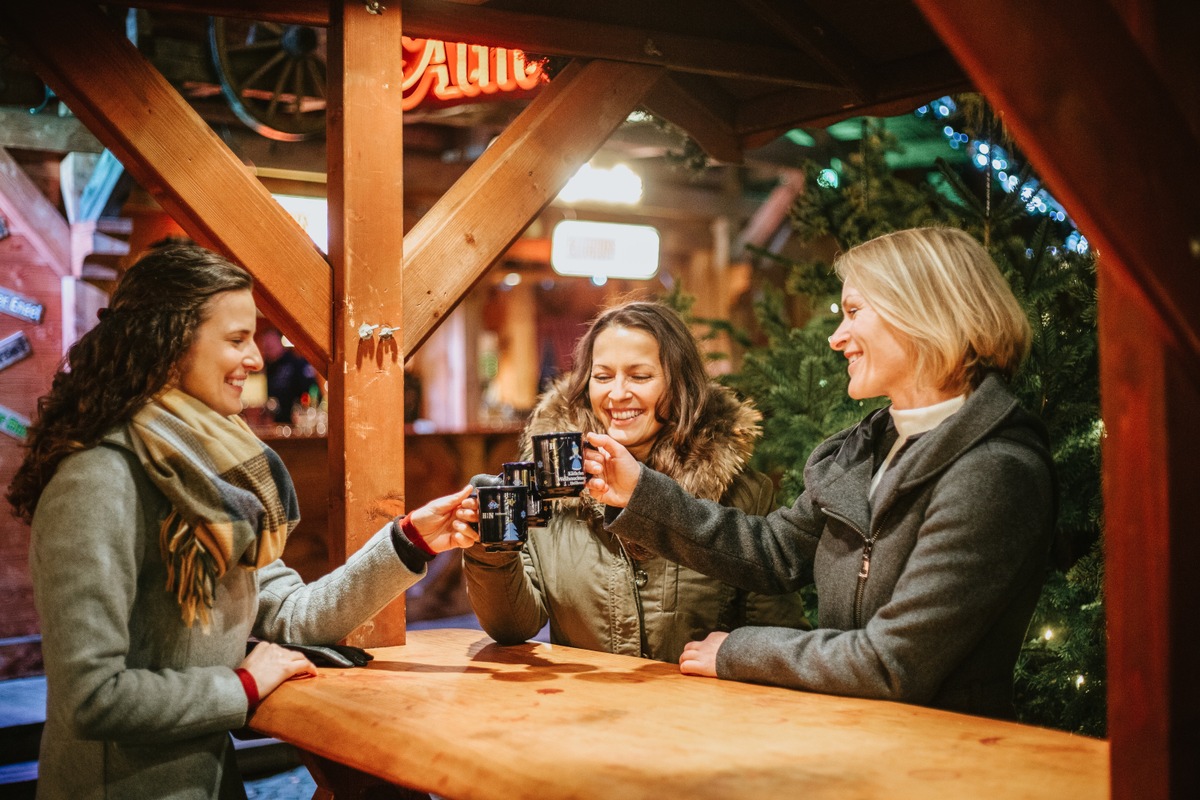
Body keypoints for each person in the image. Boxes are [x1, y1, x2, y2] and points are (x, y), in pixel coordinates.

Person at [6, 243, 479, 799]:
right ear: (169, 345)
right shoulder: (98, 479)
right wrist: (245, 685)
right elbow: (92, 696)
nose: (256, 358)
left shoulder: (216, 476)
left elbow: (297, 617)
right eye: (235, 339)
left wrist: (410, 541)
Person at [581, 227, 1056, 719]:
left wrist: (739, 651)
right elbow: (773, 552)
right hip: (856, 735)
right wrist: (641, 492)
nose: (837, 337)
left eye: (853, 312)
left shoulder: (994, 471)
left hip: (948, 757)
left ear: (921, 313)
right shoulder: (869, 445)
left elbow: (893, 663)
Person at [462, 301, 808, 662]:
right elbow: (514, 626)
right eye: (602, 376)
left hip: (698, 714)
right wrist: (489, 550)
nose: (617, 393)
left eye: (640, 376)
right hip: (582, 711)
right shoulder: (548, 486)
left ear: (680, 385)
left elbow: (777, 633)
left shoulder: (742, 492)